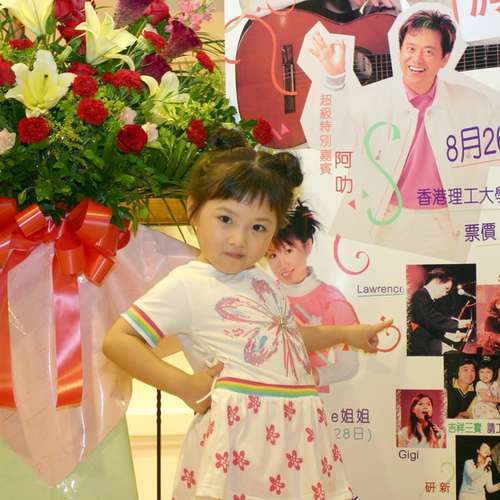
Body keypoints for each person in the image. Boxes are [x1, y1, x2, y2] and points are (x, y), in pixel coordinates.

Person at [103, 141, 392, 499]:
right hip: (242, 443)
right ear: (193, 209)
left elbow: (285, 340)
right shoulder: (188, 283)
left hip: (296, 437)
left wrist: (347, 333)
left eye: (258, 227)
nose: (239, 239)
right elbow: (118, 340)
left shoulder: (261, 278)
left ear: (275, 231)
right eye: (225, 219)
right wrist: (184, 386)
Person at [307, 7, 500, 260]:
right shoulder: (370, 99)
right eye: (410, 48)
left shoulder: (474, 103)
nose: (417, 59)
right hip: (383, 220)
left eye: (428, 51)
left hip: (444, 224)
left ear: (444, 58)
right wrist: (334, 79)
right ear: (399, 51)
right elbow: (332, 140)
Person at [266, 201, 359, 393]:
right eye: (272, 255)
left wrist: (310, 378)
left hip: (312, 399)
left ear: (307, 246)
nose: (281, 264)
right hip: (266, 398)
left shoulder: (332, 301)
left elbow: (349, 366)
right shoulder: (264, 297)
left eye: (288, 251)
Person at [408, 267, 471, 356]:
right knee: (457, 355)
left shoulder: (426, 297)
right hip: (421, 345)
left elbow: (429, 325)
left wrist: (449, 335)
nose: (445, 294)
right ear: (436, 281)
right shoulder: (420, 295)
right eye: (446, 288)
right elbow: (431, 318)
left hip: (426, 341)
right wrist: (459, 324)